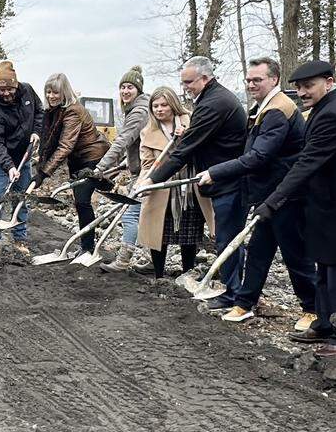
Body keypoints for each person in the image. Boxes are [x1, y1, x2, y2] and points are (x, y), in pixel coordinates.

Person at [256, 60, 336, 358]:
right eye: (299, 87)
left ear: (329, 81)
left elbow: (308, 162)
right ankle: (325, 323)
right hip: (327, 205)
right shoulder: (327, 107)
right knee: (325, 267)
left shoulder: (335, 113)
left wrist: (273, 200)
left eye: (309, 86)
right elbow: (306, 157)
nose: (302, 92)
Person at [201, 58, 316, 329]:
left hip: (286, 195)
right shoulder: (262, 108)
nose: (251, 84)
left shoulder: (278, 111)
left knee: (295, 253)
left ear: (274, 79)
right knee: (259, 251)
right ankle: (245, 302)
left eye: (258, 80)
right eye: (249, 80)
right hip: (269, 195)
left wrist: (215, 172)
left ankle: (313, 309)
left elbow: (259, 156)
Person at [143, 56, 246, 311]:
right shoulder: (211, 98)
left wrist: (153, 179)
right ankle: (234, 293)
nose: (185, 86)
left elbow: (186, 149)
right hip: (221, 178)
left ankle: (235, 295)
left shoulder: (214, 103)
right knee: (226, 239)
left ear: (205, 77)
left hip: (227, 180)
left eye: (188, 82)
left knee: (228, 239)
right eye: (183, 82)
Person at [136, 87, 213, 281]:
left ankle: (188, 273)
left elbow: (202, 149)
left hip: (189, 186)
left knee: (189, 232)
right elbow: (146, 163)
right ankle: (159, 275)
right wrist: (146, 182)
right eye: (155, 106)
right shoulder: (148, 132)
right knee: (159, 233)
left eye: (164, 105)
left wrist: (184, 137)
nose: (159, 109)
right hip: (162, 189)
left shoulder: (191, 121)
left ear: (173, 104)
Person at [35, 73, 110, 254]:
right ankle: (86, 247)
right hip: (77, 161)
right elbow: (50, 142)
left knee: (83, 202)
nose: (51, 96)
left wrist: (44, 173)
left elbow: (65, 146)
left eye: (56, 93)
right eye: (48, 92)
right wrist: (39, 164)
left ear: (64, 93)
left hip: (91, 158)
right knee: (79, 202)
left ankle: (88, 249)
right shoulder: (55, 112)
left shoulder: (72, 112)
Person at [0, 61, 42, 260]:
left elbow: (40, 112)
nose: (6, 93)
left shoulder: (28, 92)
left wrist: (36, 132)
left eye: (9, 88)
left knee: (21, 198)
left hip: (23, 155)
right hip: (0, 160)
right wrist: (8, 167)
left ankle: (20, 239)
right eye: (2, 89)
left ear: (16, 85)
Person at [98, 66, 151, 272]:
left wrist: (100, 167)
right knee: (147, 218)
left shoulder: (138, 112)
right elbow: (135, 145)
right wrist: (124, 164)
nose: (125, 91)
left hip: (147, 172)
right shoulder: (139, 107)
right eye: (122, 87)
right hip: (142, 168)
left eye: (130, 87)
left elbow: (122, 141)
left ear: (138, 89)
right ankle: (152, 260)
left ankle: (123, 260)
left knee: (130, 216)